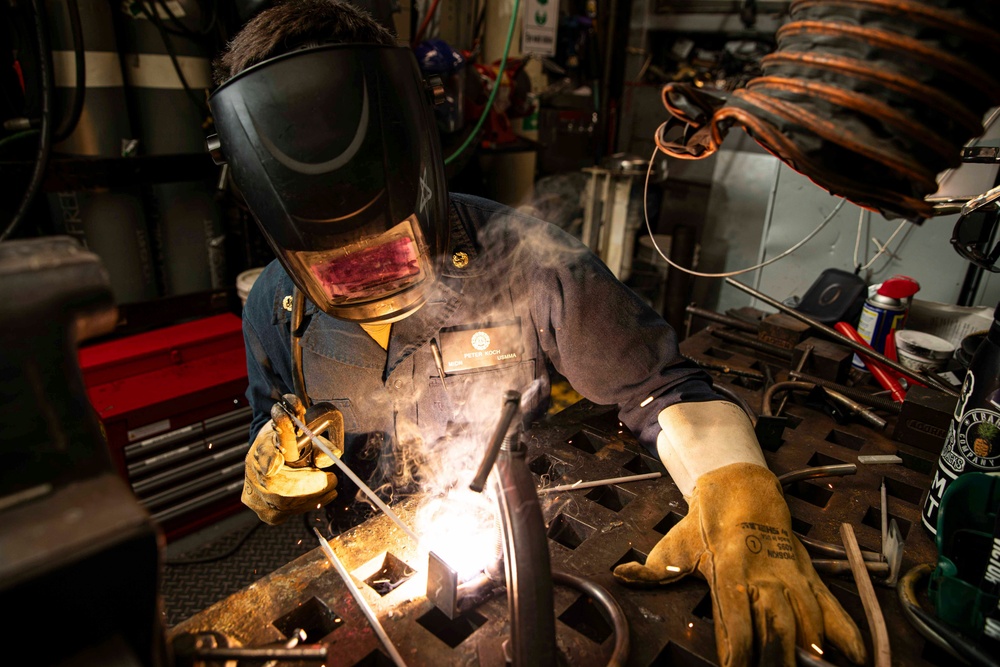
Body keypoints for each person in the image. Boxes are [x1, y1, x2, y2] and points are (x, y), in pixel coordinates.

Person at [208, 2, 866, 665]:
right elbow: (278, 422)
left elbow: (665, 388)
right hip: (366, 582)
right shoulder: (275, 302)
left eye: (387, 250)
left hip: (511, 563)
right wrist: (273, 465)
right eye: (337, 269)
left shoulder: (523, 257)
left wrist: (739, 493)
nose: (368, 278)